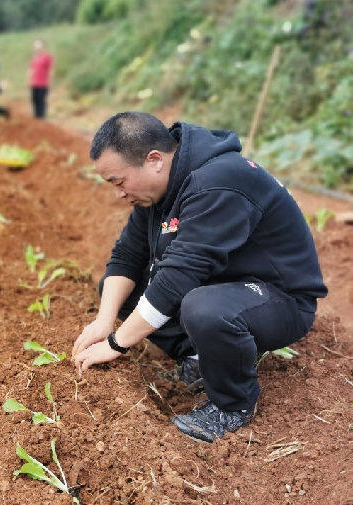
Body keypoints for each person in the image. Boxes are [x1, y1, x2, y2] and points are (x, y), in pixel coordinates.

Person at [72, 112, 327, 443]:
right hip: (223, 286)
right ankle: (200, 358)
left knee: (203, 308)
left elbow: (179, 277)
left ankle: (232, 405)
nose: (118, 194)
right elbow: (127, 257)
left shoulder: (218, 181)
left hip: (280, 299)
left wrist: (116, 343)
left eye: (119, 182)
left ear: (154, 161)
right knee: (120, 290)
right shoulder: (159, 190)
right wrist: (104, 322)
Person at [27, 39, 54, 119]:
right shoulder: (34, 57)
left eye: (38, 45)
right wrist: (29, 80)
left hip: (43, 84)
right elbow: (31, 69)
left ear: (43, 46)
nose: (36, 47)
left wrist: (50, 82)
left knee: (41, 102)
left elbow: (51, 70)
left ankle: (41, 119)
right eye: (35, 45)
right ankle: (36, 119)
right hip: (34, 84)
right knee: (34, 101)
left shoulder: (47, 57)